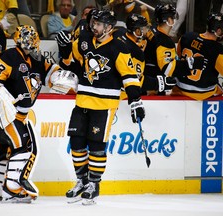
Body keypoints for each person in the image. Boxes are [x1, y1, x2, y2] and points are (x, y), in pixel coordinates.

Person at [60, 10, 145, 205]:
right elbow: (70, 63)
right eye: (93, 23)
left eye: (98, 24)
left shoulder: (119, 47)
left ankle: (93, 184)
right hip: (82, 102)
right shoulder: (84, 40)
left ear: (108, 27)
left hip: (104, 105)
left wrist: (136, 101)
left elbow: (130, 77)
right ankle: (81, 181)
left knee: (97, 146)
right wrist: (64, 48)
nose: (93, 27)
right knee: (76, 142)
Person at [0, 25, 67, 203]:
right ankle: (12, 189)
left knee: (6, 148)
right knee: (22, 146)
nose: (34, 47)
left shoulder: (37, 60)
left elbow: (53, 73)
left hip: (16, 116)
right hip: (2, 113)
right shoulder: (10, 57)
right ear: (21, 43)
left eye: (35, 44)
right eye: (31, 44)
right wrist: (5, 104)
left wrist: (61, 77)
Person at [144, 3, 205, 95]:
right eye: (173, 17)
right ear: (169, 20)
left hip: (147, 75)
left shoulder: (152, 30)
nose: (174, 19)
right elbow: (167, 68)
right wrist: (191, 63)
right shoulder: (164, 41)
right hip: (155, 83)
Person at [113, 13, 176, 95]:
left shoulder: (119, 32)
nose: (147, 30)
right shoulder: (136, 53)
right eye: (145, 28)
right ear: (137, 31)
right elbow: (137, 80)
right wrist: (160, 83)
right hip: (120, 91)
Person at [172, 13, 223, 100]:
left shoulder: (186, 36)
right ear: (218, 31)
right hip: (201, 92)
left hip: (179, 87)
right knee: (219, 88)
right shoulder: (218, 49)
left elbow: (179, 55)